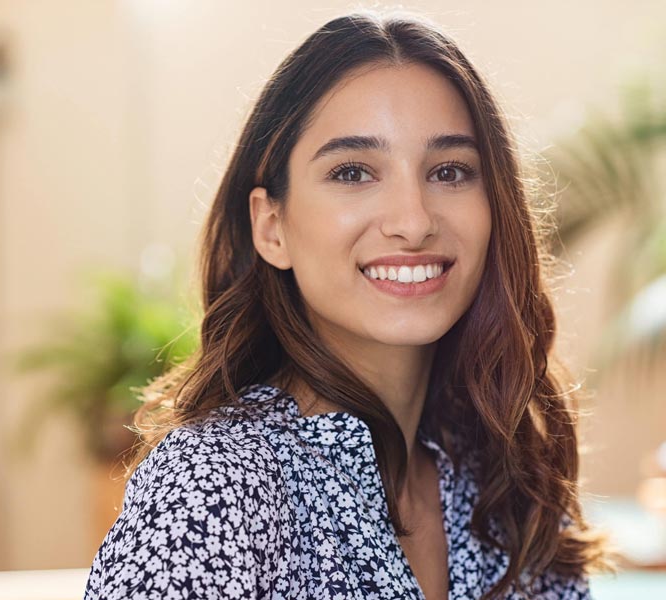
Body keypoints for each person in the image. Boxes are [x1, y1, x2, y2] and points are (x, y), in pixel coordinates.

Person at [83, 9, 610, 600]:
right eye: (354, 171)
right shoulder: (213, 487)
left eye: (450, 171)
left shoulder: (508, 482)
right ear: (272, 226)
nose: (413, 222)